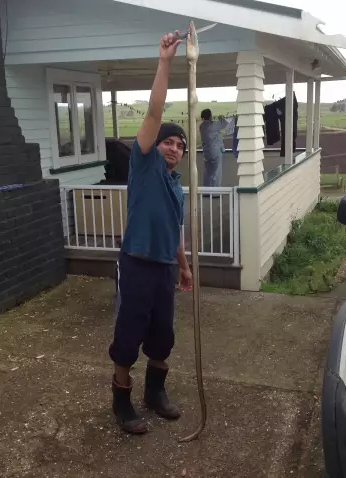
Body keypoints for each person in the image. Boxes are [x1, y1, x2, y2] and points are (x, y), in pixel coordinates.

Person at [108, 31, 193, 435]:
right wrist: (164, 63)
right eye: (168, 142)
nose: (173, 148)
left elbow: (175, 229)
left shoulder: (178, 187)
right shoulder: (143, 167)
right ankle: (121, 401)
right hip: (136, 263)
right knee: (128, 337)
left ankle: (154, 394)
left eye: (179, 144)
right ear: (154, 145)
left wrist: (184, 265)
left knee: (163, 338)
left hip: (163, 269)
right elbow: (155, 113)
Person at [199, 109, 234, 187]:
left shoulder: (202, 126)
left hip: (206, 152)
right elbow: (224, 123)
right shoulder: (213, 125)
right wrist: (221, 118)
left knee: (207, 172)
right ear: (210, 116)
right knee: (217, 172)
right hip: (215, 151)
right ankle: (216, 192)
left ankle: (206, 191)